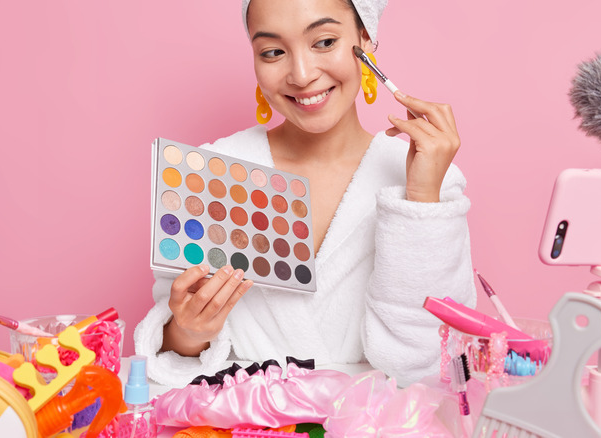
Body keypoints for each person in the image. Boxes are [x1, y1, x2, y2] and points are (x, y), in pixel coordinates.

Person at [135, 0, 476, 388]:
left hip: (377, 423)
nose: (301, 74)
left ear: (366, 38)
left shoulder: (424, 176)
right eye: (273, 52)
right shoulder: (207, 173)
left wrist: (421, 200)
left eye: (324, 41)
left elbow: (433, 361)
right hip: (247, 422)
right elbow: (172, 355)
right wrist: (191, 331)